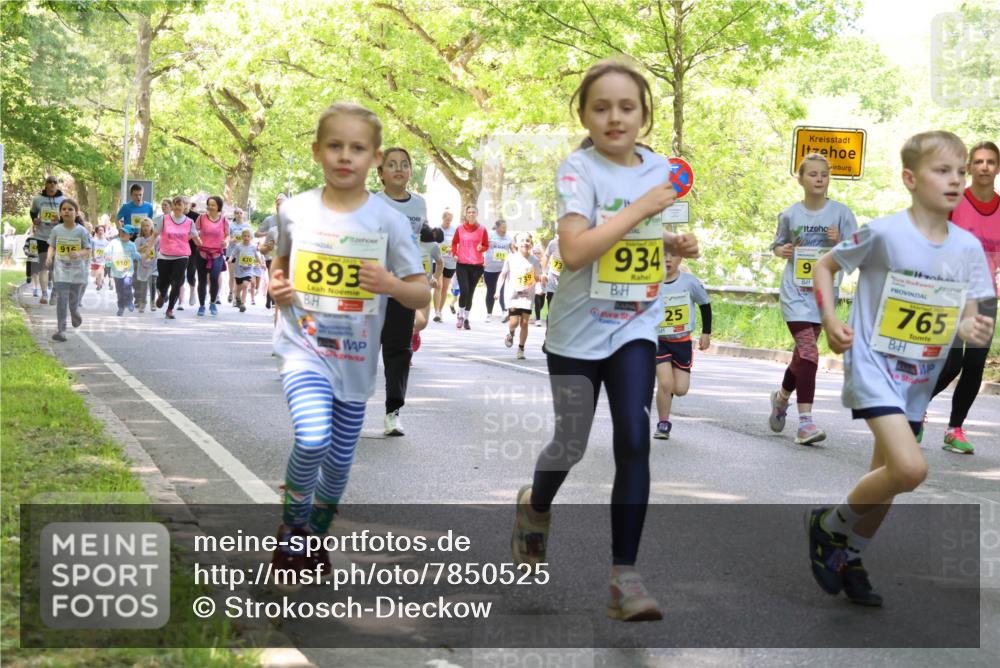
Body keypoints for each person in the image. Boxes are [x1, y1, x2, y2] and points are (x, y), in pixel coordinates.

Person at [509, 59, 699, 622]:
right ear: (584, 115)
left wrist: (673, 242)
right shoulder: (578, 168)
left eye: (627, 106)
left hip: (636, 325)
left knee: (634, 439)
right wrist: (643, 209)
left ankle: (624, 576)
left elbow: (641, 234)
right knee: (570, 443)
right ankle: (536, 506)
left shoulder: (661, 167)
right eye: (601, 107)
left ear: (644, 113)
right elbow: (574, 250)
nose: (615, 117)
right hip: (574, 331)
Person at [807, 131, 995, 607]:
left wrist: (969, 328)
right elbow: (825, 268)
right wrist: (830, 319)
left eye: (959, 171)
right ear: (910, 179)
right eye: (941, 170)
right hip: (872, 365)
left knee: (886, 478)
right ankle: (828, 525)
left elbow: (969, 311)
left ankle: (851, 557)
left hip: (920, 377)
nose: (955, 180)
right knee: (910, 469)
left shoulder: (968, 248)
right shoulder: (885, 233)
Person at [266, 102, 427, 575]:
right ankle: (292, 531)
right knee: (312, 438)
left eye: (357, 148)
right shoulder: (294, 210)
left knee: (338, 461)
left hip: (355, 359)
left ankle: (315, 534)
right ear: (317, 151)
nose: (344, 156)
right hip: (303, 349)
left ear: (374, 158)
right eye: (334, 145)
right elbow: (280, 265)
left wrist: (392, 286)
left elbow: (420, 290)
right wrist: (277, 288)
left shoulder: (389, 222)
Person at [768, 153, 858, 445]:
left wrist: (838, 243)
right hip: (795, 294)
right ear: (801, 179)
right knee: (809, 353)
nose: (819, 179)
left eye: (824, 174)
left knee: (801, 357)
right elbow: (778, 245)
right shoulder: (790, 214)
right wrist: (783, 251)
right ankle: (805, 423)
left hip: (823, 297)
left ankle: (782, 397)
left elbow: (856, 252)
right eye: (813, 174)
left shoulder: (842, 214)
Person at [924, 140, 1000, 453]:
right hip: (952, 292)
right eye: (978, 161)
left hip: (985, 297)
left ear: (997, 168)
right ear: (968, 167)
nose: (984, 167)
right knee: (952, 362)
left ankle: (955, 429)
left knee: (975, 364)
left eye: (991, 162)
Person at [374, 147, 429, 435]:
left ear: (410, 171)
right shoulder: (370, 202)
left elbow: (418, 239)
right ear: (380, 173)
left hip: (402, 288)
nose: (399, 169)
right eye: (391, 165)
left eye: (405, 164)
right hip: (369, 289)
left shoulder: (419, 205)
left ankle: (393, 412)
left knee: (399, 352)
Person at [653, 251, 712, 440]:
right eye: (663, 255)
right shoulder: (650, 281)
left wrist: (706, 333)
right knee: (665, 383)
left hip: (682, 343)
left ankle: (666, 396)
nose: (668, 259)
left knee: (679, 389)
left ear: (681, 258)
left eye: (673, 255)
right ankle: (663, 423)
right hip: (658, 341)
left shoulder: (689, 282)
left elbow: (705, 304)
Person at [44, 198, 90, 341]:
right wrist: (49, 257)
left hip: (77, 271)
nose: (67, 211)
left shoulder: (81, 231)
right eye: (64, 209)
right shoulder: (57, 230)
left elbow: (88, 249)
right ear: (60, 213)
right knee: (62, 300)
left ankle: (75, 312)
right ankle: (61, 331)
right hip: (61, 270)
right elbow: (52, 245)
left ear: (76, 213)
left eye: (70, 209)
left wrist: (78, 253)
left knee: (72, 302)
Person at [500, 231, 543, 359]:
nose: (525, 243)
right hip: (513, 295)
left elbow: (538, 277)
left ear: (531, 244)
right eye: (522, 240)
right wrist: (497, 291)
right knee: (514, 322)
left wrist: (539, 287)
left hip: (527, 295)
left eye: (528, 241)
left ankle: (521, 349)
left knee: (524, 323)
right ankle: (510, 331)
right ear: (516, 244)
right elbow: (503, 275)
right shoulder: (511, 258)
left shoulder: (535, 260)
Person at [155, 196, 199, 319]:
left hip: (182, 255)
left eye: (180, 205)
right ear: (172, 206)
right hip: (164, 255)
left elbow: (195, 235)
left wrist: (199, 242)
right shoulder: (164, 219)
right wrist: (148, 249)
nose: (177, 207)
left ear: (185, 206)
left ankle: (170, 309)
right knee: (162, 281)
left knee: (177, 282)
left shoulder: (190, 221)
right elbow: (155, 234)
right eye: (175, 204)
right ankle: (163, 294)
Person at [451, 204, 489, 330]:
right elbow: (454, 243)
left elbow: (486, 245)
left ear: (476, 214)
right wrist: (455, 254)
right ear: (466, 215)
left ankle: (467, 318)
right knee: (465, 290)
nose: (471, 214)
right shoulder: (460, 229)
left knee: (471, 292)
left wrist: (481, 248)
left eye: (474, 212)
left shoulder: (482, 229)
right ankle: (460, 315)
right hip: (462, 264)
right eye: (469, 212)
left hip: (477, 265)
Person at [29, 175, 64, 304]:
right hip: (41, 237)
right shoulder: (38, 199)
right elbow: (33, 212)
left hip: (58, 237)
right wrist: (35, 220)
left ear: (57, 185)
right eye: (50, 182)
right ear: (46, 184)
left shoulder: (63, 199)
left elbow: (69, 215)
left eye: (55, 182)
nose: (52, 184)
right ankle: (44, 295)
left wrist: (60, 220)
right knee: (43, 267)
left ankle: (54, 292)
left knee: (56, 268)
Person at [194, 195, 229, 316]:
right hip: (202, 252)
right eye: (209, 204)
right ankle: (202, 305)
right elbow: (194, 231)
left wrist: (226, 242)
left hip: (217, 253)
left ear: (218, 206)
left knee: (214, 278)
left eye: (213, 205)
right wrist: (197, 238)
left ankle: (213, 302)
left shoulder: (224, 220)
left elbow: (227, 235)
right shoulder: (201, 218)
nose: (210, 207)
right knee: (202, 280)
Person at [105, 225, 142, 316]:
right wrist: (108, 255)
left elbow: (134, 255)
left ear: (130, 235)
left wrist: (140, 257)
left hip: (128, 270)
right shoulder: (114, 242)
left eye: (125, 233)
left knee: (127, 285)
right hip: (116, 271)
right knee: (119, 290)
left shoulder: (132, 245)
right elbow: (107, 250)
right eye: (121, 232)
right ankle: (121, 306)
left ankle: (129, 301)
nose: (122, 234)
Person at [484, 219, 513, 321]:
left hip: (503, 269)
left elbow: (513, 251)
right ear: (497, 227)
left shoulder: (509, 237)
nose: (504, 229)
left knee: (503, 290)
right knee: (491, 290)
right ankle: (489, 313)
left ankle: (504, 312)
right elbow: (482, 247)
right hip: (490, 268)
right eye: (503, 227)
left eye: (505, 227)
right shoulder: (489, 235)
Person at [433, 209, 457, 322]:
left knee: (445, 288)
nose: (449, 223)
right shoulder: (436, 229)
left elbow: (457, 244)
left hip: (450, 262)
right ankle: (436, 312)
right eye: (447, 220)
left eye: (450, 221)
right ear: (443, 219)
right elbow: (432, 245)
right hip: (438, 261)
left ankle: (440, 312)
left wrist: (453, 250)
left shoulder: (454, 230)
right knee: (439, 285)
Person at [228, 228, 260, 312]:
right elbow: (233, 254)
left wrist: (261, 263)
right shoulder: (238, 246)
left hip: (249, 270)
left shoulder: (253, 247)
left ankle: (242, 303)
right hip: (239, 269)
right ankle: (237, 297)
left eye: (248, 236)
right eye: (245, 236)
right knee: (238, 286)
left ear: (251, 237)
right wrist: (230, 259)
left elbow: (256, 256)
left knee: (245, 285)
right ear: (242, 236)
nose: (246, 238)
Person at [227, 208, 253, 303]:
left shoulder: (248, 226)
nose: (238, 215)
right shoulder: (230, 225)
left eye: (240, 213)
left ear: (243, 214)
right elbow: (226, 237)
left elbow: (252, 239)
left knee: (242, 277)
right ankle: (231, 292)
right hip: (232, 253)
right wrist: (231, 240)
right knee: (232, 275)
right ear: (234, 215)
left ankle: (237, 296)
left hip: (244, 255)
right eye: (236, 213)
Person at [135, 218, 158, 313]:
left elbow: (159, 250)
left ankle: (152, 302)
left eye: (147, 225)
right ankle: (143, 303)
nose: (145, 228)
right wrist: (143, 247)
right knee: (143, 285)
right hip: (142, 265)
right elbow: (135, 251)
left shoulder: (157, 238)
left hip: (153, 265)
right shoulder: (138, 239)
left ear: (151, 227)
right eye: (143, 226)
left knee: (152, 282)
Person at [543, 233, 562, 322]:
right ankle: (549, 333)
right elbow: (546, 256)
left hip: (566, 283)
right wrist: (543, 272)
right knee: (551, 309)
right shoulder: (553, 243)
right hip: (552, 280)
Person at [90, 225, 109, 292]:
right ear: (96, 232)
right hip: (94, 260)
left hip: (102, 260)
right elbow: (91, 249)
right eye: (99, 230)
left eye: (102, 230)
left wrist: (106, 257)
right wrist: (93, 256)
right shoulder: (93, 241)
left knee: (100, 272)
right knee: (97, 273)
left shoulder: (106, 242)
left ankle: (99, 284)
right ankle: (99, 282)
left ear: (104, 232)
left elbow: (107, 251)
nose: (100, 231)